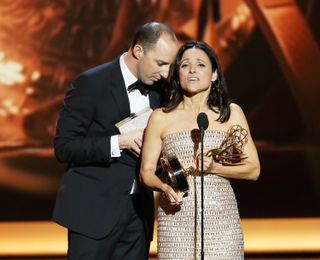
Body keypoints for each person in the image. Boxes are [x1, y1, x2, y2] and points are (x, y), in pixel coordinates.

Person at [52, 22, 179, 260]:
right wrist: (118, 142)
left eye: (170, 65)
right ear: (138, 51)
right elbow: (64, 147)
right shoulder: (91, 83)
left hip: (137, 215)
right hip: (93, 212)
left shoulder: (160, 89)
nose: (165, 73)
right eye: (161, 63)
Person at [140, 41, 260, 259]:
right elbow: (146, 172)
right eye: (185, 65)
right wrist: (164, 188)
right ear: (178, 74)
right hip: (175, 219)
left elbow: (253, 169)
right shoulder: (160, 117)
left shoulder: (230, 113)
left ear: (214, 74)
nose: (192, 70)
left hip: (221, 220)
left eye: (201, 65)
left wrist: (214, 167)